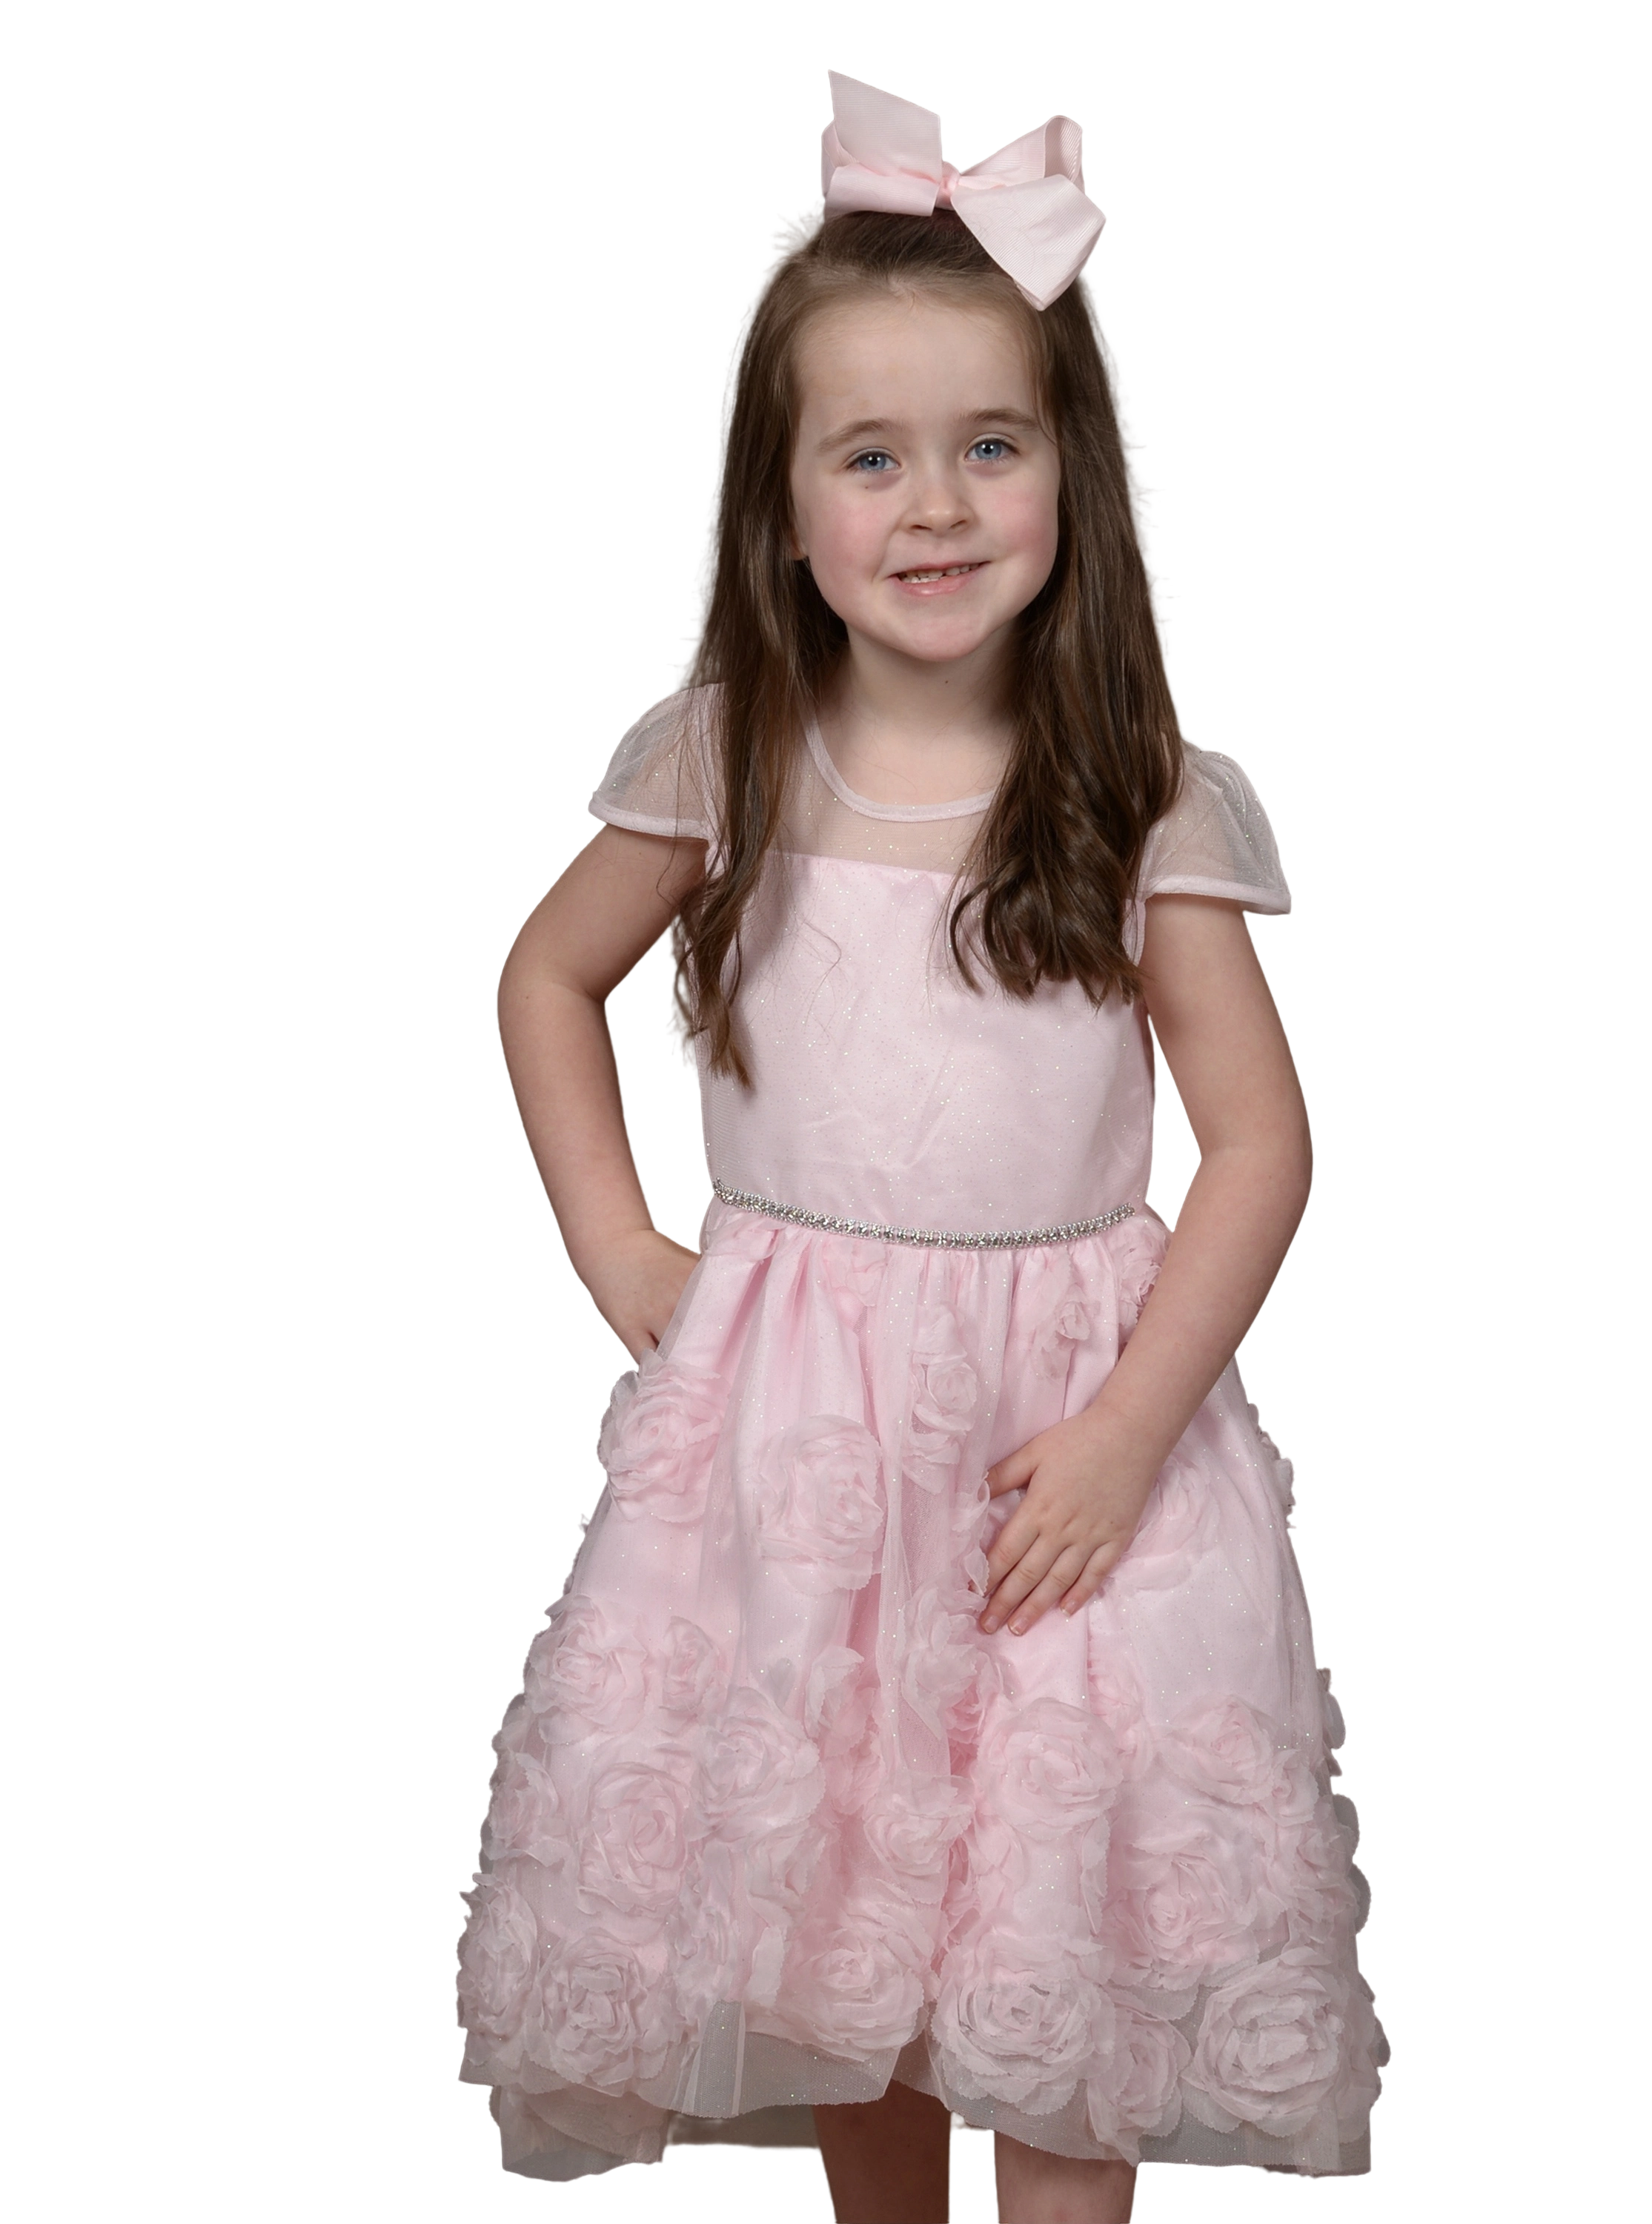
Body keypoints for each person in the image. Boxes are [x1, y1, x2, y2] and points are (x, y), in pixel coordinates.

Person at [453, 72, 1391, 2224]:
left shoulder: (1137, 792)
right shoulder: (721, 761)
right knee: (846, 1943)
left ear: (1075, 465)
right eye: (870, 455)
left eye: (994, 444)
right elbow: (544, 980)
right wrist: (626, 1255)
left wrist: (1129, 1437)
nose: (938, 506)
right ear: (780, 506)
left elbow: (1257, 1144)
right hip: (802, 1446)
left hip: (1069, 1444)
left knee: (1053, 1954)